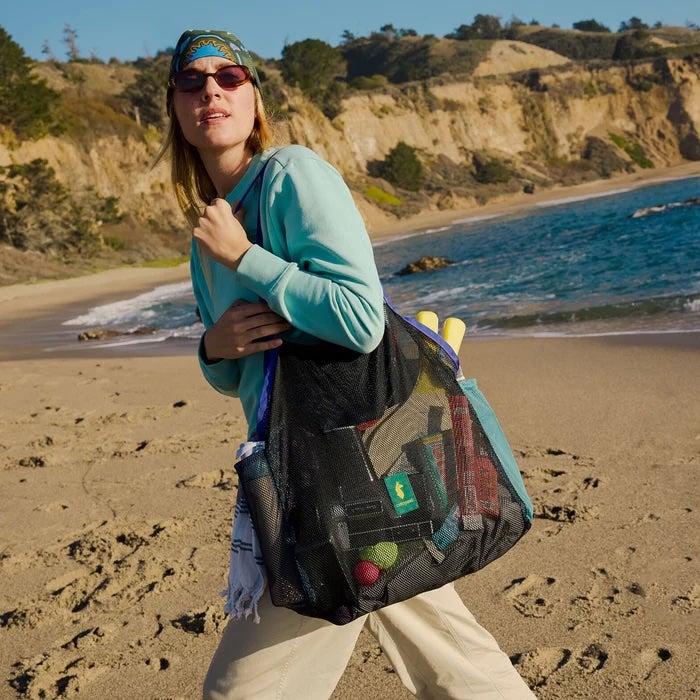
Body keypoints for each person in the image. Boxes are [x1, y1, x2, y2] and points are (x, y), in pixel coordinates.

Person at [159, 28, 537, 700]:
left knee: (242, 692)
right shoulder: (207, 234)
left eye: (229, 77)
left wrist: (248, 259)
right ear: (175, 108)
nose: (210, 91)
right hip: (319, 469)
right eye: (192, 81)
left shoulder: (291, 176)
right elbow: (240, 379)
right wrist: (214, 348)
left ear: (254, 98)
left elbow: (360, 319)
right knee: (454, 662)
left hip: (346, 475)